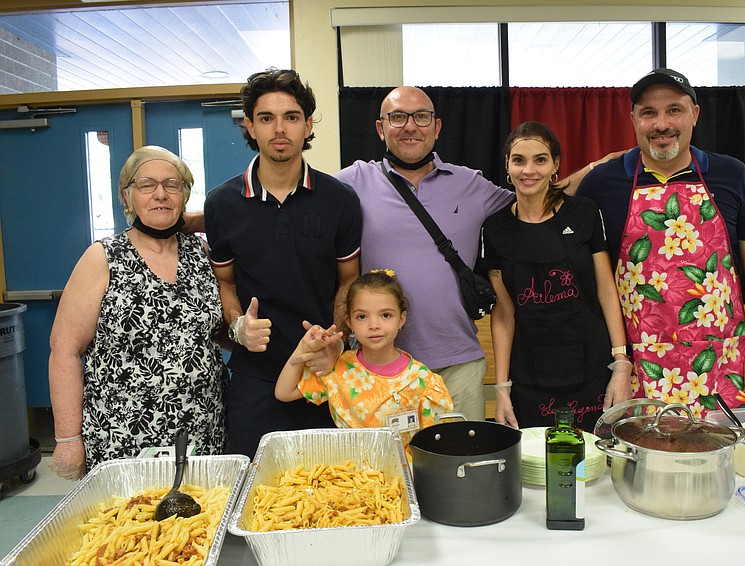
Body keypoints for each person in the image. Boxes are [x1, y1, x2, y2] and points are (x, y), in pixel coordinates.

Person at [335, 87, 608, 421]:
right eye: (397, 117)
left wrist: (599, 168)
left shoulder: (471, 185)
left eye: (421, 117)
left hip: (457, 365)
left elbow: (536, 192)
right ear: (380, 128)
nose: (410, 127)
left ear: (437, 127)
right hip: (378, 364)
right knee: (383, 469)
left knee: (461, 468)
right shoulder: (349, 184)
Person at [575, 68, 745, 414]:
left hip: (721, 365)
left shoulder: (732, 175)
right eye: (649, 113)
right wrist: (587, 170)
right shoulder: (602, 184)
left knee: (723, 463)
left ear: (694, 115)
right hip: (639, 369)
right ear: (634, 119)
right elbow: (544, 208)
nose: (661, 124)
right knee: (643, 464)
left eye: (674, 110)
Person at [204, 69, 362, 457]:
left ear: (307, 125)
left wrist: (335, 337)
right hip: (254, 376)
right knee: (253, 490)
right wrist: (238, 325)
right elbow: (225, 282)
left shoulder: (340, 200)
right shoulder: (222, 204)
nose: (280, 128)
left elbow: (349, 281)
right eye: (266, 118)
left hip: (322, 371)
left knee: (328, 488)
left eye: (291, 117)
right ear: (250, 127)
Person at [48, 146, 227, 479]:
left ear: (184, 195)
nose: (160, 194)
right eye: (147, 185)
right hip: (123, 437)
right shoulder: (102, 257)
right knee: (130, 526)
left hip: (203, 431)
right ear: (127, 196)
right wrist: (68, 439)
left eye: (172, 184)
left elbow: (210, 332)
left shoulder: (202, 253)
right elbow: (64, 350)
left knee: (198, 526)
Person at [480, 122, 632, 429]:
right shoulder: (494, 229)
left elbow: (605, 289)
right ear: (507, 167)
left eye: (540, 159)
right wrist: (502, 388)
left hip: (592, 368)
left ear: (555, 165)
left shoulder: (584, 213)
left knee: (594, 466)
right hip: (530, 376)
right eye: (519, 160)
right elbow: (504, 314)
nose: (529, 170)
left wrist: (621, 363)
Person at [274, 270, 453, 453]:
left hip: (401, 478)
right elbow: (284, 392)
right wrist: (303, 348)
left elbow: (438, 446)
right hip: (351, 475)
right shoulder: (338, 369)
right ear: (349, 322)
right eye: (362, 316)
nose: (373, 325)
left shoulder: (423, 381)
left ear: (402, 318)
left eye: (385, 315)